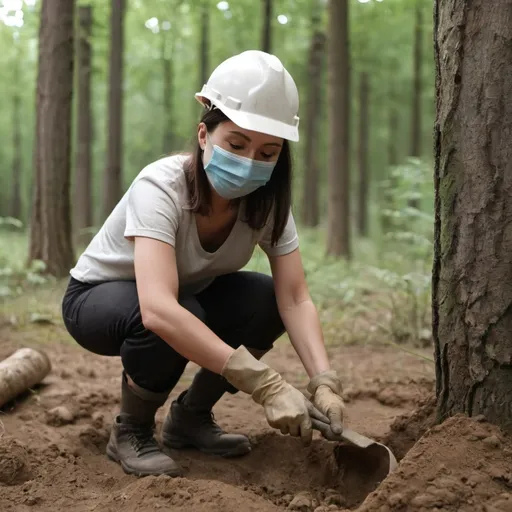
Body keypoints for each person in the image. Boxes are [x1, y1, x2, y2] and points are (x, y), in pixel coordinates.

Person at [61, 50, 345, 478]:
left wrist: (323, 380)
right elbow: (158, 308)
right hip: (97, 299)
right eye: (236, 144)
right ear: (203, 135)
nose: (250, 161)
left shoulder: (269, 205)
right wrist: (263, 383)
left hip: (183, 295)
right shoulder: (162, 185)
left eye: (268, 152)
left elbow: (295, 297)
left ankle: (191, 418)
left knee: (264, 300)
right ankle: (130, 431)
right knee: (175, 313)